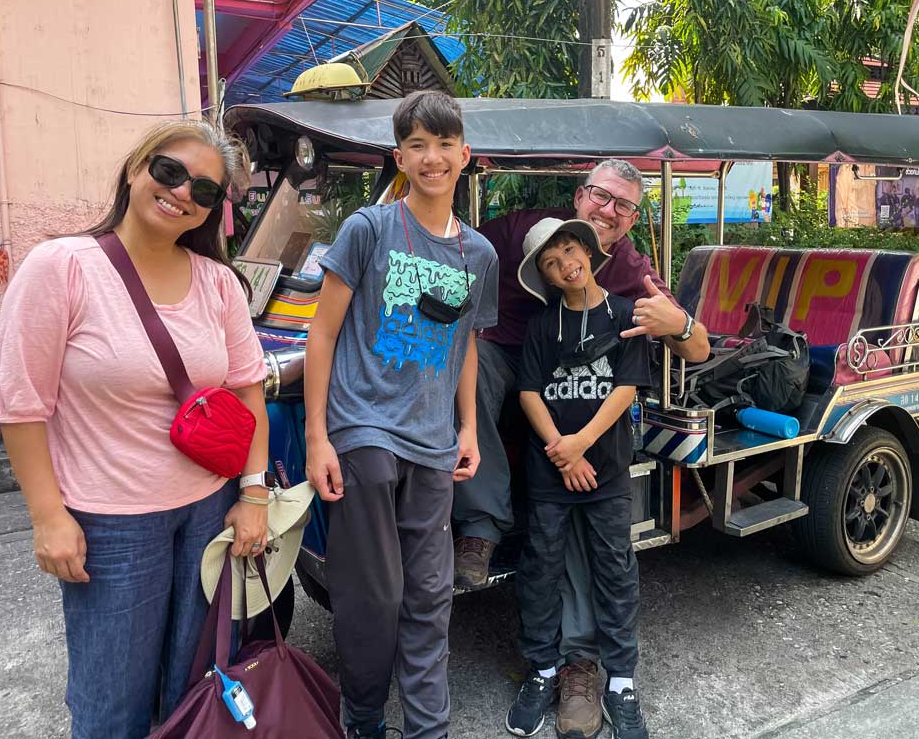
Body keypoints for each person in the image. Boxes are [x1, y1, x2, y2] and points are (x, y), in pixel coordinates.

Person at [0, 121, 271, 739]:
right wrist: (47, 516)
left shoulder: (218, 282)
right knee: (112, 700)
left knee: (193, 682)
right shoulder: (61, 267)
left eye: (203, 189)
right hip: (109, 523)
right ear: (136, 169)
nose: (180, 194)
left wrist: (253, 493)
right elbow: (18, 403)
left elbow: (248, 388)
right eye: (169, 172)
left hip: (208, 509)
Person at [452, 159, 707, 738]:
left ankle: (589, 670)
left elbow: (696, 349)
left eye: (623, 205)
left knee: (599, 559)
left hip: (582, 427)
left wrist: (679, 319)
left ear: (632, 220)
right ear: (579, 195)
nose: (607, 210)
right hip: (517, 367)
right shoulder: (524, 229)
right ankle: (481, 530)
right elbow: (455, 245)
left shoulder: (631, 274)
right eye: (600, 195)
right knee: (466, 365)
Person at [303, 90, 499, 739]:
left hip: (433, 441)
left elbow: (464, 345)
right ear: (400, 156)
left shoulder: (479, 256)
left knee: (429, 596)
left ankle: (427, 729)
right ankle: (362, 720)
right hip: (364, 432)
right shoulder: (369, 229)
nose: (431, 156)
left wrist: (468, 427)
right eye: (417, 143)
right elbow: (322, 334)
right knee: (372, 598)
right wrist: (317, 438)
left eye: (443, 143)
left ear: (463, 155)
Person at [506, 218, 651, 739]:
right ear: (543, 276)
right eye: (550, 261)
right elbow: (528, 392)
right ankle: (543, 670)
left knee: (615, 570)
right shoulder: (544, 325)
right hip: (550, 475)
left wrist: (581, 445)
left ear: (587, 251)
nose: (564, 263)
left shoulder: (624, 314)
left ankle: (621, 682)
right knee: (541, 569)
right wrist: (562, 454)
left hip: (607, 471)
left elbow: (627, 388)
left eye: (569, 249)